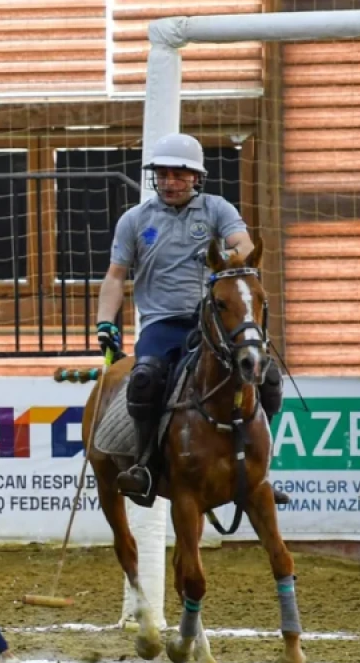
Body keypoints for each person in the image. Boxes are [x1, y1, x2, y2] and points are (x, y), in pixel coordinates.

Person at [94, 132, 287, 502]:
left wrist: (230, 258)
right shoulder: (135, 219)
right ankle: (145, 465)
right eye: (163, 174)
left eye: (179, 175)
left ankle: (260, 469)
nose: (170, 182)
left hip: (213, 322)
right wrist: (105, 323)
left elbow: (243, 244)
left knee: (269, 377)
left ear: (196, 177)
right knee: (146, 378)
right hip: (161, 323)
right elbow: (115, 276)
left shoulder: (217, 209)